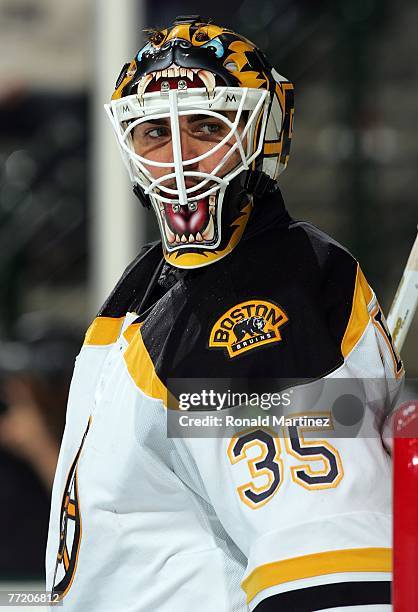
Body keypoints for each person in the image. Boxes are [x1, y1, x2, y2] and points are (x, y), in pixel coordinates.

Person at [46, 16, 404, 611]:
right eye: (154, 131)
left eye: (207, 126)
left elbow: (328, 575)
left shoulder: (255, 308)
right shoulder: (165, 281)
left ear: (262, 133)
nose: (179, 159)